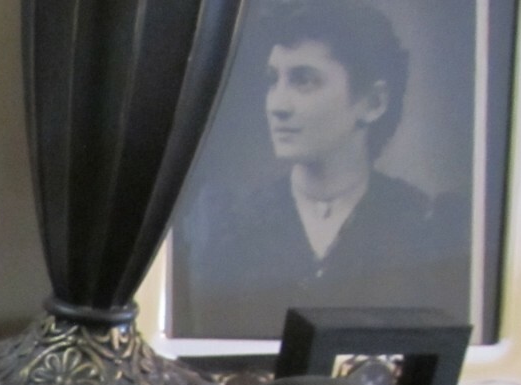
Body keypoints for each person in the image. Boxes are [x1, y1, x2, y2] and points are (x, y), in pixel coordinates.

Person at [175, 0, 468, 338]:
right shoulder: (229, 227)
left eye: (304, 81)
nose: (277, 105)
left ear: (373, 102)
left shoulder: (425, 228)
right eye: (273, 80)